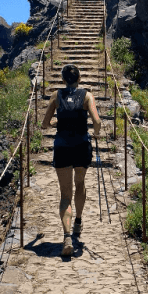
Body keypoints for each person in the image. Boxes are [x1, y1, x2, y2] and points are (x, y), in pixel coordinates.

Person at [41, 64, 102, 256]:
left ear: (63, 79)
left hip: (62, 148)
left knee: (65, 194)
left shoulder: (56, 96)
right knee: (80, 183)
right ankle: (78, 222)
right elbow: (97, 121)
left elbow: (44, 124)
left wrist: (57, 122)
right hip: (82, 147)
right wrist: (97, 134)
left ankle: (67, 237)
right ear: (80, 78)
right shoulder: (87, 96)